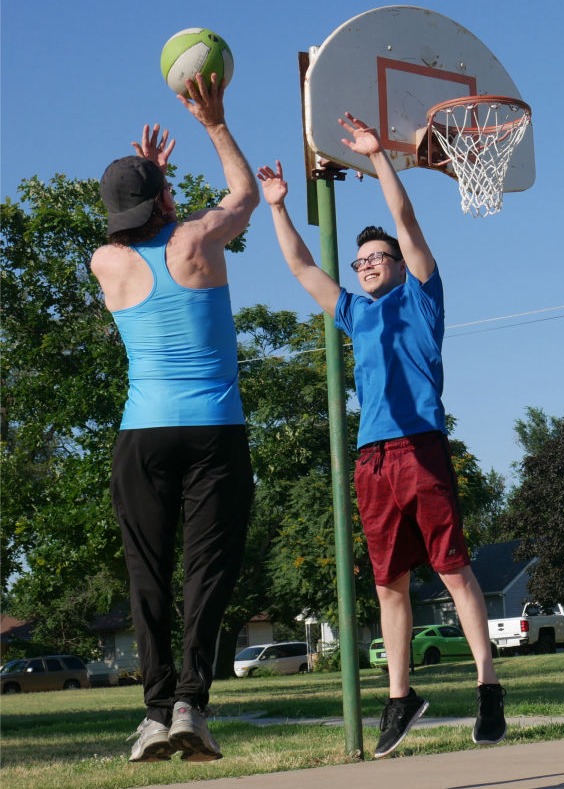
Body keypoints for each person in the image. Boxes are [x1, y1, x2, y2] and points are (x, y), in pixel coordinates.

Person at [257, 112, 506, 759]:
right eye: (360, 259)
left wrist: (377, 157)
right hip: (372, 460)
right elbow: (302, 268)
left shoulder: (422, 298)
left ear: (398, 264)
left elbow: (408, 223)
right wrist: (279, 207)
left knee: (452, 568)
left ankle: (487, 683)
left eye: (375, 257)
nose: (365, 263)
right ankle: (401, 695)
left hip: (420, 446)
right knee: (388, 585)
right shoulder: (355, 314)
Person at [91, 72, 259, 763]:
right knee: (207, 574)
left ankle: (155, 714)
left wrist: (150, 185)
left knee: (147, 573)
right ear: (167, 200)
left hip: (145, 436)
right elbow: (244, 196)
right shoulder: (198, 242)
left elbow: (143, 232)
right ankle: (192, 701)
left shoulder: (106, 261)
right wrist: (214, 123)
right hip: (216, 432)